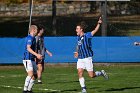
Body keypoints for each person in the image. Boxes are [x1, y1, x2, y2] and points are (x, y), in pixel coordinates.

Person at [74, 17, 108, 93]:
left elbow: (95, 31)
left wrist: (99, 23)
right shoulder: (78, 37)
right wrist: (76, 52)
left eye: (77, 28)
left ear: (81, 29)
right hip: (80, 58)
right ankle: (83, 89)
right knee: (79, 72)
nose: (76, 30)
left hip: (87, 58)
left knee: (91, 75)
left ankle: (101, 73)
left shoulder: (87, 35)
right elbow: (77, 45)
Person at [23, 25, 42, 93]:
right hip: (27, 59)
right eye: (37, 30)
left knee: (35, 75)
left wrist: (35, 57)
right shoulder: (30, 38)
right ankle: (25, 90)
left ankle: (29, 90)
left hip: (31, 59)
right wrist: (37, 55)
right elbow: (28, 48)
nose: (38, 31)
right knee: (30, 74)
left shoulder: (33, 38)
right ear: (33, 30)